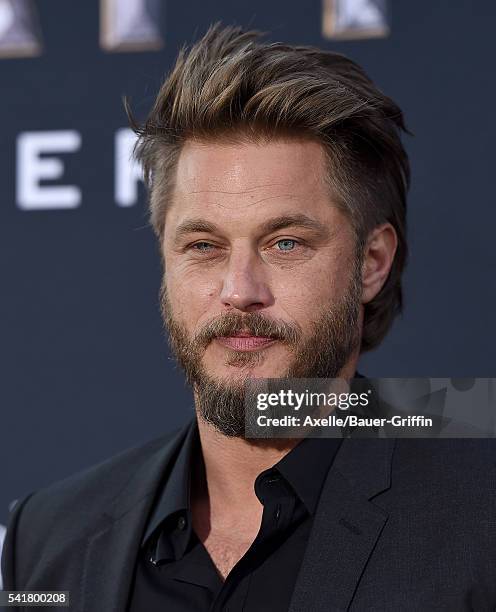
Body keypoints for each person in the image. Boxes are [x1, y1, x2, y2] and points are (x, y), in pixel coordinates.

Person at [2, 23, 495, 611]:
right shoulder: (49, 534)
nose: (239, 291)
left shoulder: (480, 509)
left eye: (285, 243)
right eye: (204, 246)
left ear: (371, 263)